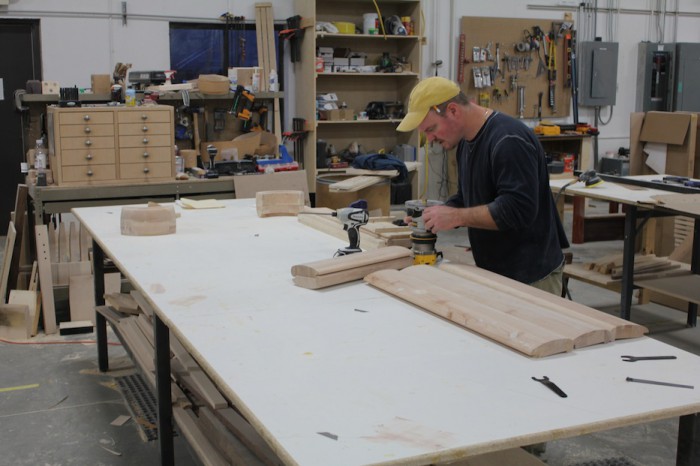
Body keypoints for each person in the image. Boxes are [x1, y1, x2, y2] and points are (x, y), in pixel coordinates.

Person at [397, 76, 569, 295]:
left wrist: (455, 217)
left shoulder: (508, 140)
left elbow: (518, 210)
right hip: (497, 272)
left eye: (431, 129)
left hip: (531, 277)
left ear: (453, 110)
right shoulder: (465, 143)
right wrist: (435, 214)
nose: (430, 139)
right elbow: (470, 196)